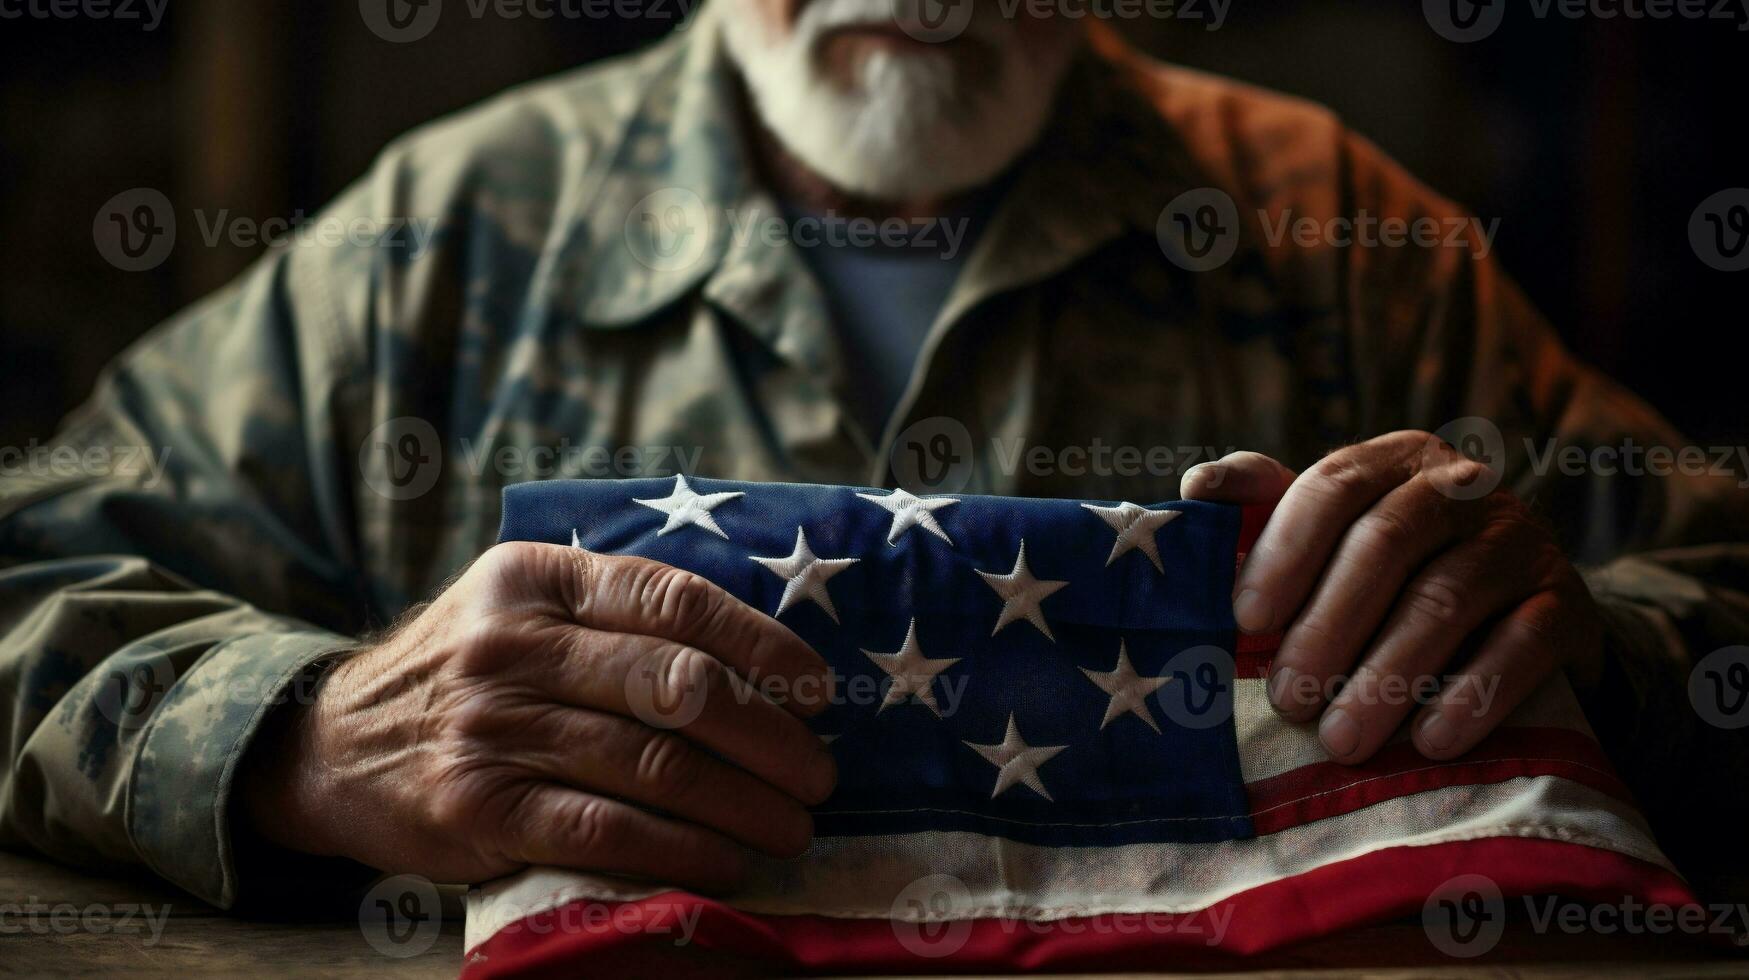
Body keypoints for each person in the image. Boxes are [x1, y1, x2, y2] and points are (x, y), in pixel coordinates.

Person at [2, 0, 1745, 914]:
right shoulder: (448, 233)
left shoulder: (1328, 230)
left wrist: (1579, 643)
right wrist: (299, 736)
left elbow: (1718, 583)